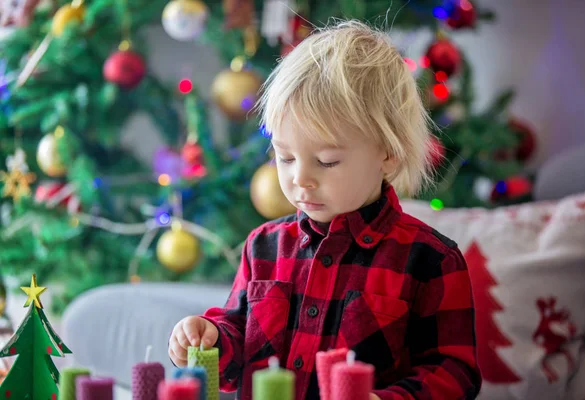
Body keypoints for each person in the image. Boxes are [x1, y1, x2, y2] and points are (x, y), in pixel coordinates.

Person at [169, 20, 481, 400]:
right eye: (284, 157)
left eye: (327, 161)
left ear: (388, 153)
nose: (301, 179)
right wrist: (211, 338)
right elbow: (237, 340)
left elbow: (454, 375)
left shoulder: (432, 260)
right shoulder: (263, 247)